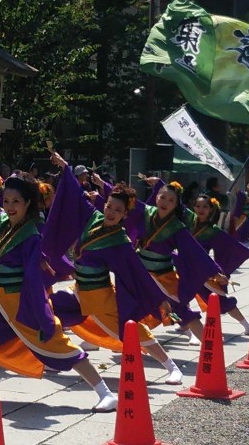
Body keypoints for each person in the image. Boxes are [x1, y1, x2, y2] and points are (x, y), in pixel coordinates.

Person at [0, 172, 118, 412]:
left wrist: (39, 296)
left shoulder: (31, 235)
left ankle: (105, 393)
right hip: (0, 301)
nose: (10, 206)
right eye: (6, 201)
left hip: (25, 304)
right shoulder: (1, 222)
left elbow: (35, 277)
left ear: (28, 203)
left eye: (16, 201)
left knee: (61, 348)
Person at [44, 153, 184, 384]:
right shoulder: (93, 218)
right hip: (79, 292)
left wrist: (159, 299)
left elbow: (137, 272)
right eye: (110, 206)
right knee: (48, 311)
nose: (111, 212)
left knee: (134, 333)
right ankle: (53, 359)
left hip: (101, 300)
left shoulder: (120, 241)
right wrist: (65, 168)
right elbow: (77, 197)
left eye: (118, 210)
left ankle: (171, 367)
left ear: (125, 215)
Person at [124, 178, 231, 345]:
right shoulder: (146, 212)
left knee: (181, 309)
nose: (165, 202)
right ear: (156, 197)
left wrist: (214, 272)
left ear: (176, 205)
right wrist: (102, 186)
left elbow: (194, 251)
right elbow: (125, 201)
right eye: (162, 197)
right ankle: (127, 342)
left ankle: (213, 346)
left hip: (163, 275)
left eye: (171, 200)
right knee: (127, 305)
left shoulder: (177, 227)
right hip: (140, 271)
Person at [185, 193, 249, 335]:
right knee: (179, 299)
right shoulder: (188, 220)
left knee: (220, 300)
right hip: (184, 267)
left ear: (211, 209)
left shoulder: (213, 230)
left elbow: (231, 243)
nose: (201, 209)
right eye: (197, 206)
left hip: (203, 270)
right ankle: (187, 329)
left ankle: (246, 324)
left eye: (205, 206)